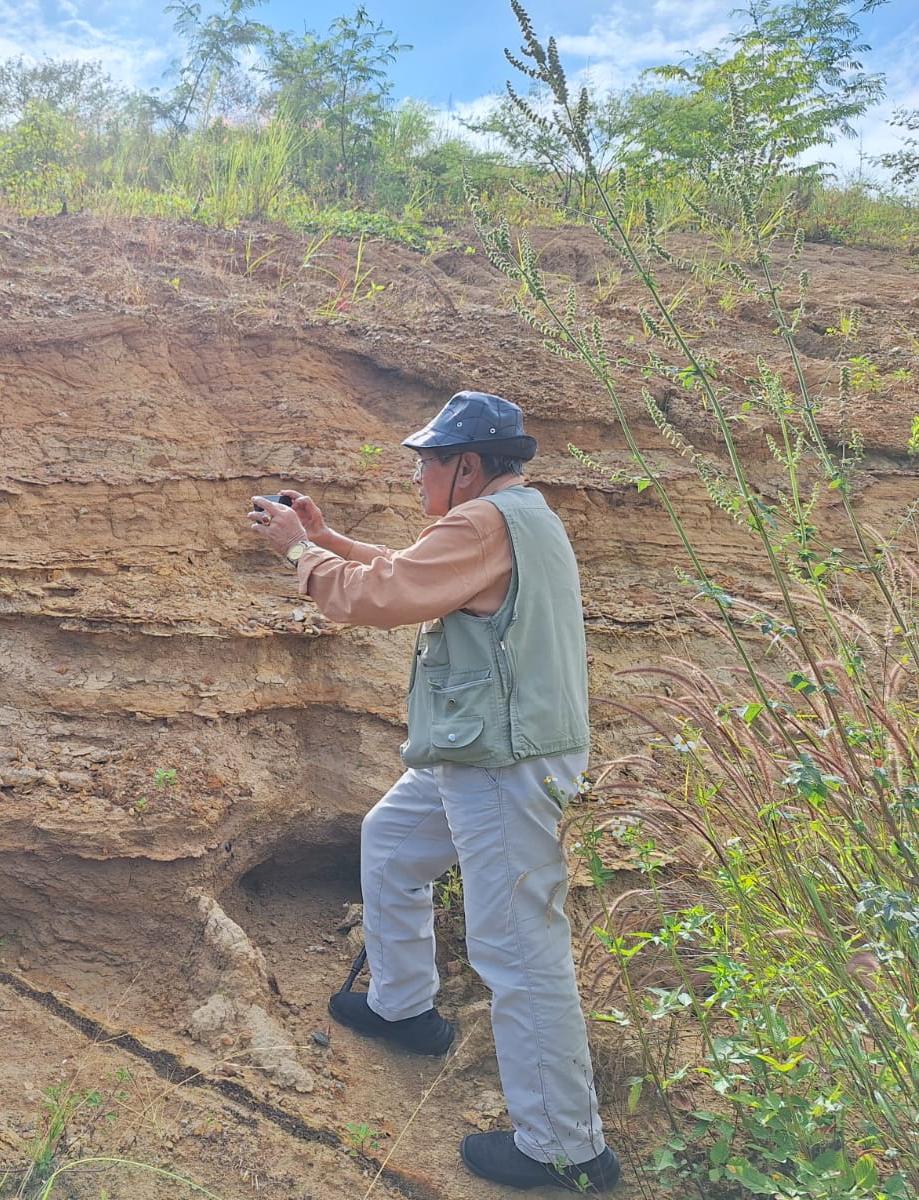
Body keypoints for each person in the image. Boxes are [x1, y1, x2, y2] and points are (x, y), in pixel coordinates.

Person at [248, 392, 620, 1192]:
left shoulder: (482, 523)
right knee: (390, 840)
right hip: (484, 749)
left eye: (427, 463)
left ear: (468, 466)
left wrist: (296, 552)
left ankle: (566, 1148)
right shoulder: (517, 515)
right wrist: (327, 538)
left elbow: (379, 596)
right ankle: (403, 1008)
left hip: (500, 762)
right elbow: (416, 572)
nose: (417, 476)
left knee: (517, 947)